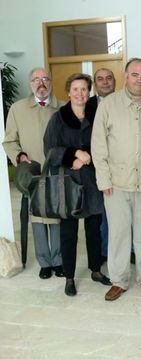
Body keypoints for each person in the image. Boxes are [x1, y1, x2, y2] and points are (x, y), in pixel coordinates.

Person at [91, 58, 141, 301]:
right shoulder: (108, 105)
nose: (140, 80)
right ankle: (119, 279)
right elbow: (98, 145)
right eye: (135, 74)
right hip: (116, 183)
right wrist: (104, 180)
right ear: (126, 76)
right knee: (119, 233)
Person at [43, 73, 111, 296]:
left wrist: (87, 156)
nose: (80, 94)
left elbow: (106, 143)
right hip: (68, 183)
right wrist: (74, 155)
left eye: (84, 89)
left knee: (94, 229)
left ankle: (95, 270)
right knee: (69, 232)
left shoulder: (97, 114)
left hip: (92, 181)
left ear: (89, 91)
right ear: (68, 92)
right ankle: (70, 276)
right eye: (75, 89)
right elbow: (50, 150)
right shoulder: (58, 118)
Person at [2, 67, 64, 279]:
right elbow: (9, 141)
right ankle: (44, 262)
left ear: (51, 82)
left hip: (57, 173)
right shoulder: (17, 109)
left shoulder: (62, 108)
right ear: (31, 84)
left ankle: (58, 260)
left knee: (56, 217)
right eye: (36, 79)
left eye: (45, 78)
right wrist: (19, 156)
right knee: (37, 219)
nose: (41, 83)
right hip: (33, 175)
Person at [87, 68, 116, 263]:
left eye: (108, 78)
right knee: (102, 214)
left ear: (115, 81)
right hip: (93, 167)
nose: (105, 82)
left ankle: (128, 249)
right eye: (100, 79)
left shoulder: (124, 101)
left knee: (124, 215)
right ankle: (105, 251)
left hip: (122, 166)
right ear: (95, 84)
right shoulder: (87, 105)